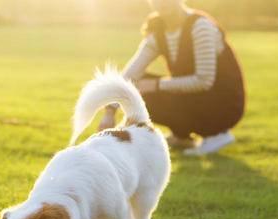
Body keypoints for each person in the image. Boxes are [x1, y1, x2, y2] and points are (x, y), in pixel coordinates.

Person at [99, 0, 245, 155]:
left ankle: (216, 134)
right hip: (196, 97)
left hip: (223, 103)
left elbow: (204, 80)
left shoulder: (200, 26)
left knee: (148, 88)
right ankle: (182, 136)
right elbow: (131, 74)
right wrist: (110, 112)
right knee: (138, 86)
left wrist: (156, 85)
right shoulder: (159, 32)